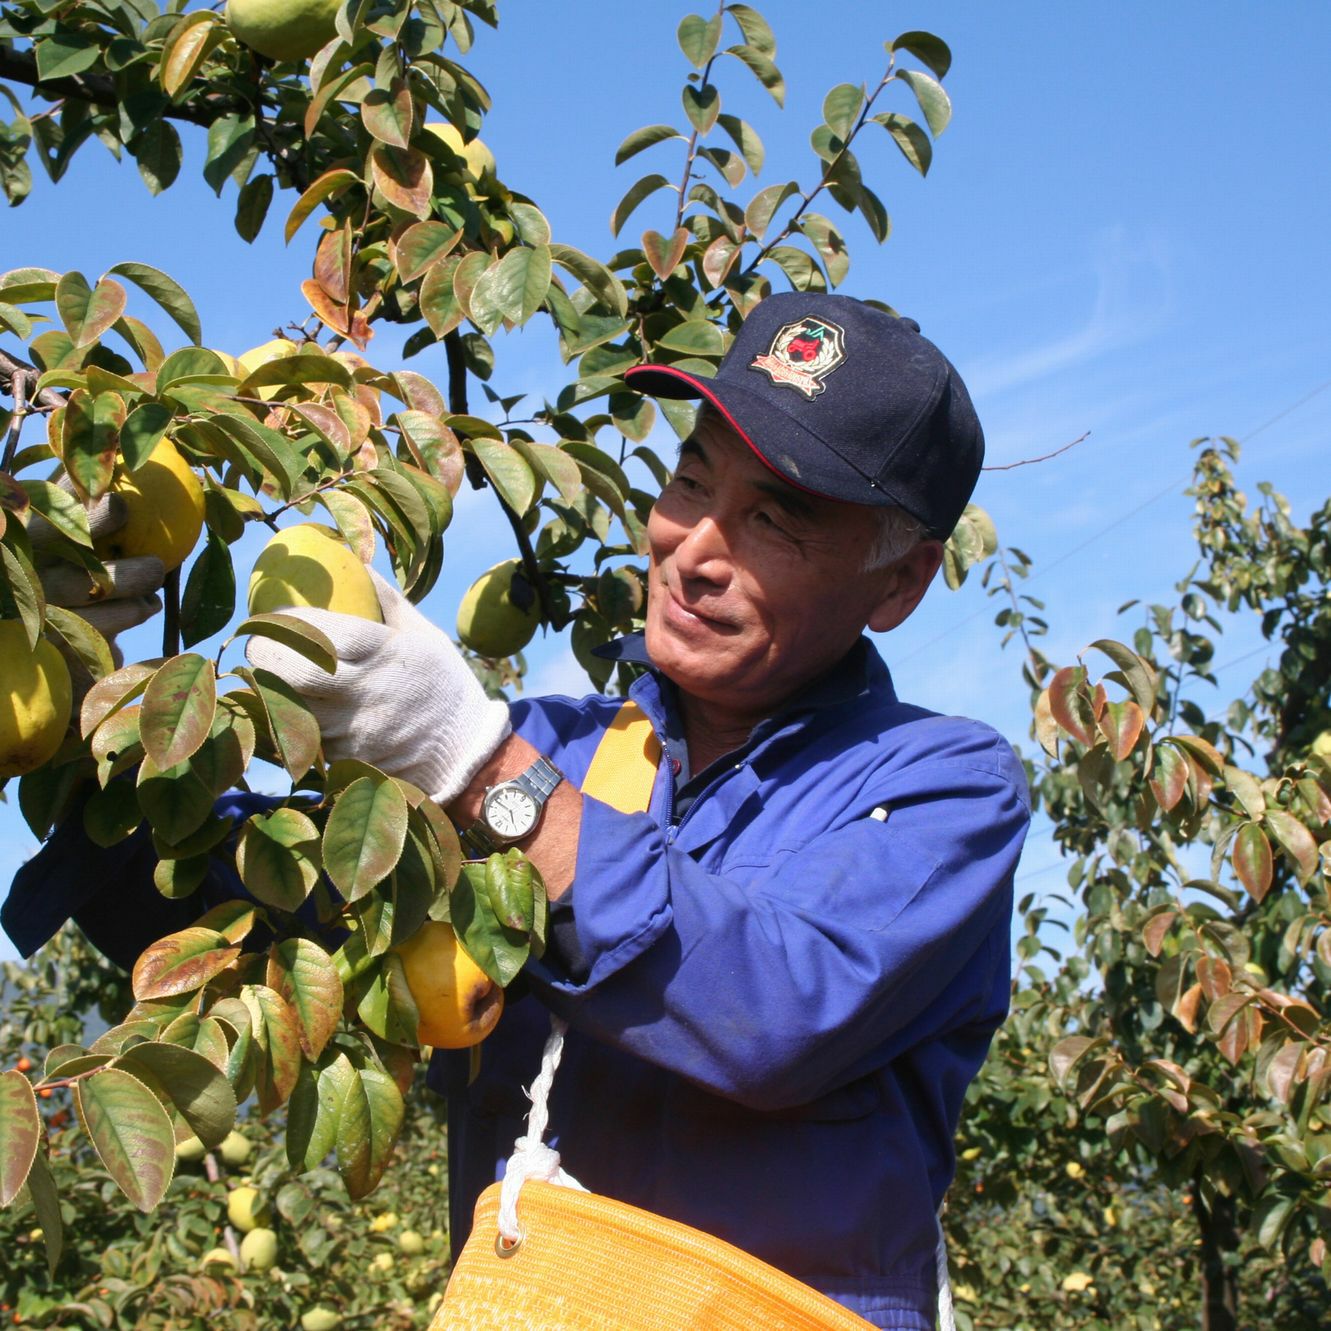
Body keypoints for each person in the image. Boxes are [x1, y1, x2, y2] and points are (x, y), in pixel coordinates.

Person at [5, 292, 1029, 1330]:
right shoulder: (563, 749)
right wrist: (91, 712)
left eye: (774, 518)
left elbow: (771, 1005)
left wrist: (477, 762)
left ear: (896, 581)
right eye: (688, 481)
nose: (693, 547)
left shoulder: (938, 788)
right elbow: (280, 930)